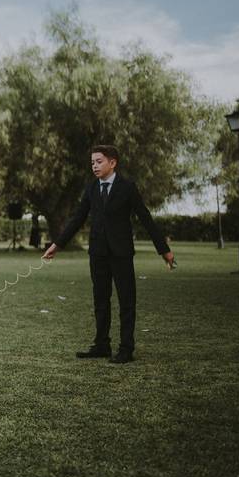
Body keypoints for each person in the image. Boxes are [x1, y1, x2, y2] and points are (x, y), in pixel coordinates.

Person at [44, 145, 174, 365]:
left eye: (99, 161)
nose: (94, 166)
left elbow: (145, 218)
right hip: (98, 254)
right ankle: (102, 345)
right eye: (92, 162)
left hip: (121, 253)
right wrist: (57, 244)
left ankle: (126, 348)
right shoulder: (91, 188)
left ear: (113, 163)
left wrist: (164, 250)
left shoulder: (127, 188)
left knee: (126, 301)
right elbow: (77, 218)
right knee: (100, 300)